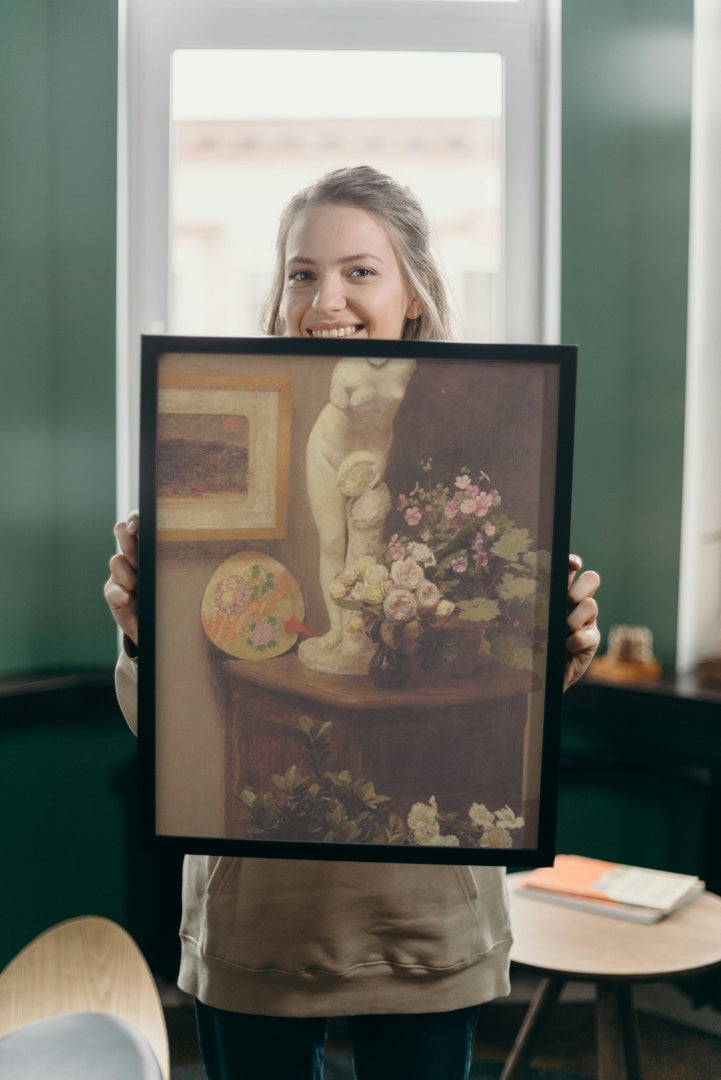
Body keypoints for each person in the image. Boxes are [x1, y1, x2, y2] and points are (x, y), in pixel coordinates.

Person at [105, 166, 601, 1080]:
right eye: (301, 272)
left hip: (423, 924)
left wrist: (559, 645)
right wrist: (143, 636)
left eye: (358, 271)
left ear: (412, 292)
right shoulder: (221, 417)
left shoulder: (484, 428)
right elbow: (157, 728)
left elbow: (507, 704)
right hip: (258, 926)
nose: (324, 297)